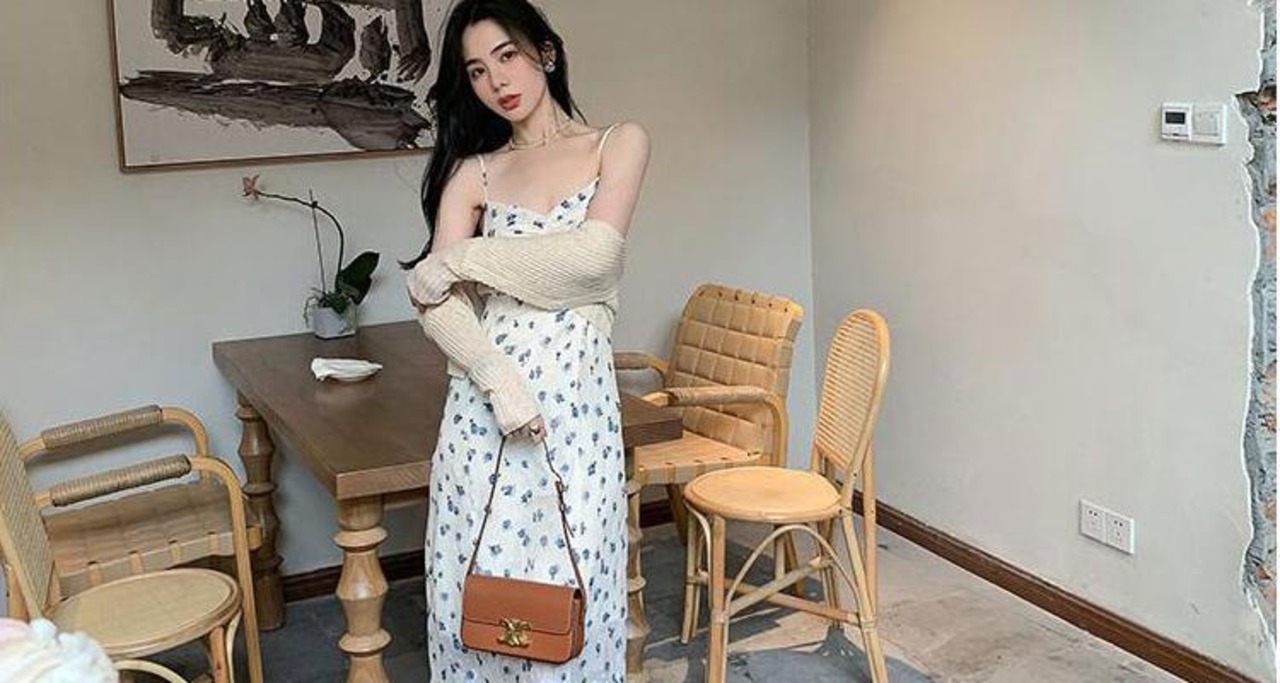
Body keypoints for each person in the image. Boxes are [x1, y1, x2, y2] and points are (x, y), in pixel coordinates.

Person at [402, 0, 649, 680]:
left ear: (546, 50)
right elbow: (433, 304)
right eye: (477, 71)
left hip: (577, 414)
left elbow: (594, 258)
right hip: (485, 410)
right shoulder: (473, 172)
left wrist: (460, 259)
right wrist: (498, 378)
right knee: (475, 592)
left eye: (507, 56)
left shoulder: (617, 143)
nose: (497, 81)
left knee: (574, 590)